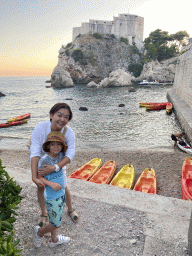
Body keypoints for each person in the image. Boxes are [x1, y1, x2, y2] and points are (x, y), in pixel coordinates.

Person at [30, 103, 79, 226]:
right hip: (42, 159)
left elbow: (70, 153)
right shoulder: (40, 128)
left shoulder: (69, 133)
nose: (62, 119)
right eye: (59, 115)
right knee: (40, 186)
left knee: (63, 185)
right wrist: (34, 176)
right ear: (51, 115)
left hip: (59, 161)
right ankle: (44, 213)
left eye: (66, 117)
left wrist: (55, 167)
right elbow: (35, 152)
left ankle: (70, 209)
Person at [33, 131, 70, 248]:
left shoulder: (61, 156)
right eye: (53, 144)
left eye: (59, 144)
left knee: (55, 218)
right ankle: (39, 233)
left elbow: (70, 155)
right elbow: (40, 177)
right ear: (48, 146)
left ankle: (54, 240)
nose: (56, 147)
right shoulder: (44, 160)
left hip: (61, 193)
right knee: (56, 223)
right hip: (51, 196)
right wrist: (51, 184)